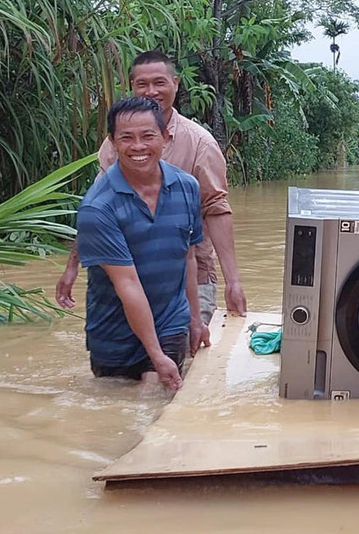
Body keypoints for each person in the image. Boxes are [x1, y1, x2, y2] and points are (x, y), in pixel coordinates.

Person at [56, 51, 247, 323]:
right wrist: (72, 266)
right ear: (132, 87)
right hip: (127, 275)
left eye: (160, 83)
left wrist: (233, 282)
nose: (151, 92)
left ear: (175, 84)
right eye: (142, 84)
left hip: (190, 277)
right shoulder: (116, 144)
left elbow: (216, 209)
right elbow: (96, 209)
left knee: (185, 357)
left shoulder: (199, 144)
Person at [77, 97, 211, 391]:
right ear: (112, 143)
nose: (138, 146)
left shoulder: (187, 187)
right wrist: (154, 353)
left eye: (148, 136)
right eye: (127, 138)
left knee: (152, 400)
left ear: (164, 138)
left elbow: (187, 258)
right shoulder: (98, 207)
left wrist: (194, 319)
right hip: (113, 336)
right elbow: (128, 286)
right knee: (120, 419)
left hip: (169, 322)